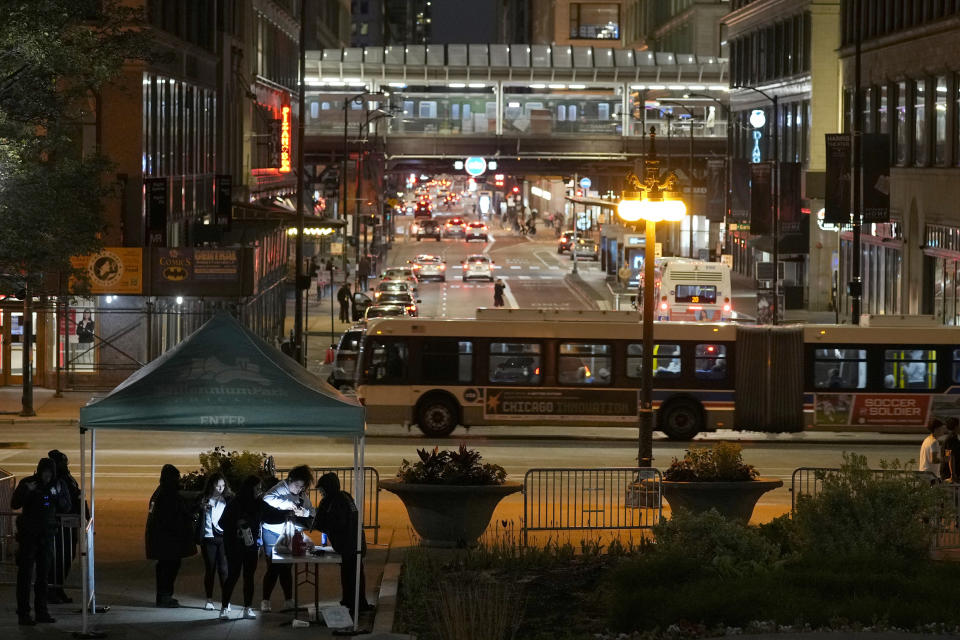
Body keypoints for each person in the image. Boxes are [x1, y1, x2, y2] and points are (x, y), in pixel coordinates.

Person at [12, 457, 70, 626]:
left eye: (50, 473)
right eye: (44, 473)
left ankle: (41, 612)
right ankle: (23, 613)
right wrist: (27, 491)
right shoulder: (28, 483)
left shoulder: (58, 485)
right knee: (25, 576)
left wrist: (55, 497)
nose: (47, 476)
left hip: (46, 536)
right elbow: (14, 503)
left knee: (43, 577)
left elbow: (66, 506)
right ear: (39, 471)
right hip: (28, 537)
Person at [314, 473, 372, 613]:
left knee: (351, 576)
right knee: (353, 574)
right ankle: (354, 602)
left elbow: (336, 523)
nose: (321, 494)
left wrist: (321, 521)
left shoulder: (335, 502)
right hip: (355, 542)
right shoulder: (344, 496)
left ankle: (355, 605)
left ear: (328, 488)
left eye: (322, 490)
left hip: (348, 545)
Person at [260, 465, 314, 612]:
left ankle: (289, 600)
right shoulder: (280, 488)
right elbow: (267, 497)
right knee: (273, 567)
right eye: (296, 485)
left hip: (289, 533)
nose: (298, 489)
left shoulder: (301, 495)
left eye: (301, 487)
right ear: (289, 480)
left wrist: (305, 512)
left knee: (287, 567)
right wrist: (288, 505)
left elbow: (312, 511)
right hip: (271, 531)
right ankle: (265, 600)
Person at [219, 476, 273, 620]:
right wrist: (236, 523)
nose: (260, 491)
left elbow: (271, 515)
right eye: (257, 488)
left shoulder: (259, 504)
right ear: (250, 489)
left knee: (249, 577)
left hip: (250, 546)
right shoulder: (235, 503)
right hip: (235, 546)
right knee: (233, 576)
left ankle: (247, 608)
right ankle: (224, 607)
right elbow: (222, 523)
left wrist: (287, 513)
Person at [145, 464, 196, 608]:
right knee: (169, 568)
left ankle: (164, 595)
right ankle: (165, 596)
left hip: (162, 539)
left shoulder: (161, 492)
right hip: (168, 540)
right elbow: (173, 516)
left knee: (165, 568)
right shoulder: (168, 495)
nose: (178, 481)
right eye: (176, 478)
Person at [47, 449, 82, 605]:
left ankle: (58, 587)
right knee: (59, 558)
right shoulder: (55, 480)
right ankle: (52, 589)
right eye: (63, 462)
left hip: (70, 521)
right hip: (61, 523)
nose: (66, 465)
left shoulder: (66, 477)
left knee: (67, 557)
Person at [200, 473, 231, 611]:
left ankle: (226, 601)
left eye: (223, 485)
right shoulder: (205, 499)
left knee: (224, 570)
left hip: (223, 538)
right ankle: (209, 599)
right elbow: (194, 510)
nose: (221, 488)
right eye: (218, 485)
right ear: (212, 485)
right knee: (210, 569)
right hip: (209, 538)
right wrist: (201, 508)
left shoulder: (228, 498)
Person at [919, 418, 947, 484]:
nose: (944, 430)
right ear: (936, 429)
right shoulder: (934, 442)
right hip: (930, 476)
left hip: (924, 473)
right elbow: (933, 460)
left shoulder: (927, 440)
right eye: (942, 428)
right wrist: (944, 459)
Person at [942, 417, 960, 482]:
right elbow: (949, 456)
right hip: (949, 474)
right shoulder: (951, 439)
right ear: (956, 427)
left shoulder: (954, 438)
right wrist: (953, 474)